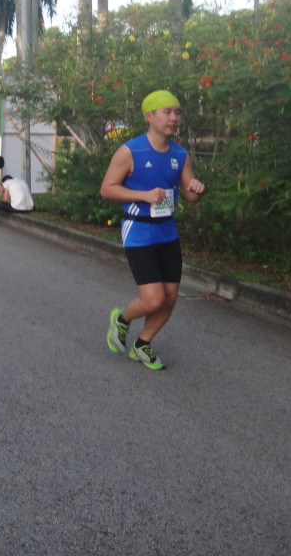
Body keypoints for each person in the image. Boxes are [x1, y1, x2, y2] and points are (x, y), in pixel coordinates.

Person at [102, 89, 206, 371]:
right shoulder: (130, 151)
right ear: (149, 117)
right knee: (154, 298)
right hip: (139, 231)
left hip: (168, 232)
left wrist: (197, 189)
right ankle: (122, 320)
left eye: (177, 112)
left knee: (170, 297)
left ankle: (143, 343)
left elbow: (189, 194)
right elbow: (107, 189)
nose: (174, 118)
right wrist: (144, 195)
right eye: (167, 112)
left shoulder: (180, 154)